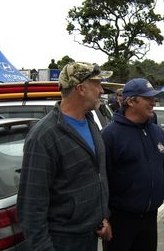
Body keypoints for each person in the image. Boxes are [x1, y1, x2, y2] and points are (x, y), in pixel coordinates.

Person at [17, 62, 113, 251]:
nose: (102, 90)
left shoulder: (90, 122)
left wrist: (103, 217)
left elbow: (94, 176)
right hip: (62, 241)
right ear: (81, 88)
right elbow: (31, 207)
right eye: (97, 84)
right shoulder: (44, 136)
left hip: (90, 235)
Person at [101, 78, 164, 251]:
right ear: (130, 101)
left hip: (150, 219)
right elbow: (100, 180)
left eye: (154, 97)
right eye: (148, 98)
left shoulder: (157, 132)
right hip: (119, 220)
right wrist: (103, 217)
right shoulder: (110, 135)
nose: (153, 102)